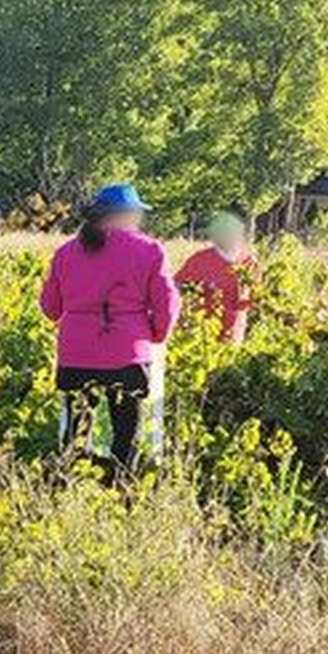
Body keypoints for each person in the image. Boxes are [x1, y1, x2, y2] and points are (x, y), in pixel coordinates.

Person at [39, 183, 181, 477]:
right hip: (128, 354)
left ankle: (72, 484)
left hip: (75, 354)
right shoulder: (150, 251)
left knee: (76, 433)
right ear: (128, 215)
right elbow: (167, 304)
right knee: (126, 432)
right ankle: (121, 487)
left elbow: (51, 308)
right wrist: (156, 335)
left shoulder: (65, 252)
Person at [176, 211, 258, 343]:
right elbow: (177, 286)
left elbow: (257, 296)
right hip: (203, 331)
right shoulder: (200, 260)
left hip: (235, 331)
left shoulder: (248, 261)